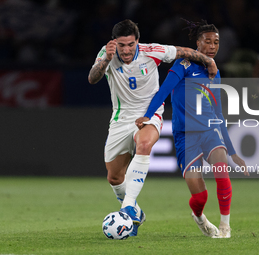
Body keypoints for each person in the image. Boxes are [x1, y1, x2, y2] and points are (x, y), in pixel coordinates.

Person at [88, 19, 218, 237]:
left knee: (145, 143)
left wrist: (208, 61)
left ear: (137, 41)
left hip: (150, 113)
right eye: (122, 45)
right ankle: (136, 210)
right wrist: (106, 60)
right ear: (114, 43)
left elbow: (183, 51)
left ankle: (127, 207)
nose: (126, 50)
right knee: (114, 178)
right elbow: (93, 78)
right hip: (120, 118)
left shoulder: (152, 51)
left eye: (131, 45)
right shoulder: (106, 53)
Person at [136, 19, 249, 238]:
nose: (213, 46)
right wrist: (147, 116)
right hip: (185, 137)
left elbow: (218, 113)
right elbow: (163, 91)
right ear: (197, 43)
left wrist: (233, 152)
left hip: (209, 132)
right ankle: (198, 216)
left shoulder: (214, 73)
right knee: (200, 198)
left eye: (216, 42)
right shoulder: (183, 66)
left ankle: (225, 226)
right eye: (207, 42)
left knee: (221, 173)